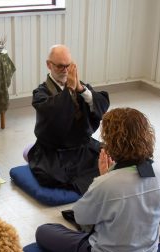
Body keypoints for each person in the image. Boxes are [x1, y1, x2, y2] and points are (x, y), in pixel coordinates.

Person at [36, 108, 160, 252]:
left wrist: (102, 179)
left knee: (44, 231)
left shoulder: (106, 184)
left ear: (112, 142)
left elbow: (81, 217)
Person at [26, 44, 110, 194]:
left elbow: (102, 105)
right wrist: (69, 90)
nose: (65, 70)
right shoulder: (40, 93)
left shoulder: (79, 85)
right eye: (60, 66)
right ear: (49, 65)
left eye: (68, 66)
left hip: (82, 146)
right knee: (50, 177)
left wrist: (82, 90)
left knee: (112, 157)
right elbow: (54, 113)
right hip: (55, 151)